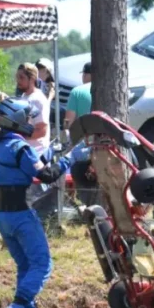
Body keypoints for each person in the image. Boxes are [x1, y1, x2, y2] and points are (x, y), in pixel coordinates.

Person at [0, 98, 71, 308]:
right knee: (43, 264)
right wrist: (69, 158)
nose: (31, 122)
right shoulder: (20, 147)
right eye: (28, 118)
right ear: (16, 121)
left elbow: (17, 167)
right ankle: (19, 305)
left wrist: (49, 153)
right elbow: (45, 176)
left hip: (0, 216)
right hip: (20, 213)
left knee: (25, 265)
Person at [63, 62, 101, 207]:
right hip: (105, 145)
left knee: (66, 165)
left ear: (86, 75)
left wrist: (68, 144)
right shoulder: (107, 90)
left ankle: (68, 203)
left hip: (83, 144)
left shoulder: (77, 92)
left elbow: (69, 123)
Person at [0, 63, 50, 151]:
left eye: (21, 77)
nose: (18, 80)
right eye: (17, 77)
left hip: (37, 154)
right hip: (26, 152)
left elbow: (41, 131)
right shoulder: (25, 96)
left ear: (32, 79)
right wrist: (6, 103)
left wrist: (18, 137)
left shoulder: (37, 100)